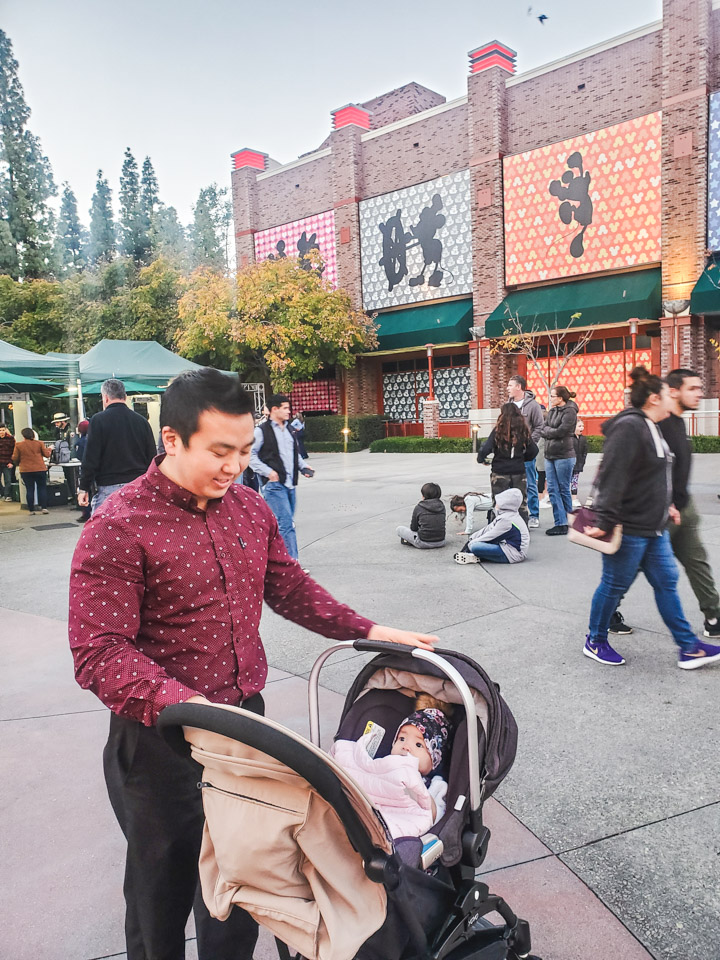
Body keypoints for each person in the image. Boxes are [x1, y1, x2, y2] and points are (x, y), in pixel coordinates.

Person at [68, 367, 438, 960]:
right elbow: (99, 652)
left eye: (244, 450)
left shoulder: (248, 509)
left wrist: (368, 630)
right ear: (171, 440)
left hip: (246, 730)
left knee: (245, 884)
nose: (234, 465)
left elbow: (287, 586)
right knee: (160, 888)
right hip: (159, 741)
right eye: (219, 450)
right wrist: (178, 702)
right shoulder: (116, 528)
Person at [582, 366, 720, 669]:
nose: (674, 400)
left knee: (667, 582)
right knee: (613, 586)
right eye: (667, 396)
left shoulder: (652, 426)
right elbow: (612, 477)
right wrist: (603, 522)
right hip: (630, 527)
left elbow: (652, 475)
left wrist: (668, 505)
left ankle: (688, 648)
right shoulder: (630, 427)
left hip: (654, 526)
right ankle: (595, 639)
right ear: (655, 399)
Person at [613, 369, 720, 641]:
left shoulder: (678, 422)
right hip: (659, 513)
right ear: (673, 391)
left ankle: (714, 616)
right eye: (693, 388)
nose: (699, 393)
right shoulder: (658, 425)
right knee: (632, 567)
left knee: (697, 562)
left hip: (684, 509)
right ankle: (608, 612)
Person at [332, 700, 451, 839]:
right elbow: (367, 777)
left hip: (399, 820)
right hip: (369, 808)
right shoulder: (383, 765)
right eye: (401, 738)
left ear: (434, 760)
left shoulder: (436, 785)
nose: (406, 746)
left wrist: (419, 792)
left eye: (419, 744)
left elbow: (437, 816)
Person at [77, 379, 157, 517]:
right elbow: (152, 457)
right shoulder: (141, 421)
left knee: (104, 535)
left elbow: (91, 457)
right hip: (138, 485)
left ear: (105, 397)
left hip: (109, 487)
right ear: (124, 397)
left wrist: (84, 487)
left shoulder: (98, 420)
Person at [249, 393, 314, 560]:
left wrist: (304, 466)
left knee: (282, 525)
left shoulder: (290, 429)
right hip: (273, 486)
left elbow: (294, 453)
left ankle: (269, 559)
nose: (288, 412)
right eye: (285, 408)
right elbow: (250, 456)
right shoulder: (261, 431)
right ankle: (292, 564)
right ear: (274, 410)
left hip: (290, 484)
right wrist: (267, 472)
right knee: (286, 525)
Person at [476, 403, 538, 524]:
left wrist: (481, 459)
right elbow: (533, 450)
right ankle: (522, 527)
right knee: (521, 501)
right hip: (518, 471)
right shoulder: (523, 431)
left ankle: (498, 526)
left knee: (499, 501)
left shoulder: (498, 430)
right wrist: (522, 459)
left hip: (500, 471)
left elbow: (486, 448)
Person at [454, 487, 529, 565]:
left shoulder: (506, 520)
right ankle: (476, 556)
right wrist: (472, 538)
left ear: (505, 504)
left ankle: (478, 556)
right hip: (506, 546)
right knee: (474, 543)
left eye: (499, 502)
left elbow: (491, 536)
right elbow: (488, 529)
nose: (496, 504)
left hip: (514, 554)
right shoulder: (506, 514)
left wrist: (470, 545)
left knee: (475, 546)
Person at [540, 384, 578, 536]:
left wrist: (549, 432)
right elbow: (543, 428)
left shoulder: (570, 412)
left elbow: (563, 431)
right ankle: (559, 522)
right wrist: (550, 432)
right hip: (550, 455)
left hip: (564, 455)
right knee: (552, 490)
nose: (550, 398)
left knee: (563, 489)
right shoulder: (552, 411)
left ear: (560, 398)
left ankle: (570, 522)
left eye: (552, 396)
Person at [507, 375, 544, 528]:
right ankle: (515, 514)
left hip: (526, 453)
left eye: (510, 385)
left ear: (519, 387)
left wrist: (528, 444)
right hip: (510, 453)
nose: (507, 388)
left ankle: (534, 515)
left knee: (530, 484)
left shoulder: (532, 405)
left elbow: (539, 427)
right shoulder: (508, 405)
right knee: (512, 484)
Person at [12, 427, 52, 515]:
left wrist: (19, 463)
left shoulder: (19, 445)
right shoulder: (39, 443)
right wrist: (49, 449)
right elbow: (46, 455)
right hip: (40, 469)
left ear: (23, 436)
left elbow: (15, 458)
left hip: (26, 470)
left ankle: (31, 510)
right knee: (42, 488)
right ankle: (44, 508)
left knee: (30, 489)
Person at [396, 481, 446, 549]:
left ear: (424, 495)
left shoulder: (419, 507)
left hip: (423, 542)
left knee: (399, 529)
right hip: (441, 542)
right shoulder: (442, 506)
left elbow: (413, 528)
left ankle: (410, 541)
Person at [73, 419, 91, 523]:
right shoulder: (95, 439)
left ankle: (86, 513)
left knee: (86, 490)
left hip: (86, 468)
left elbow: (79, 455)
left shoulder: (80, 441)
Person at [571, 418, 588, 509]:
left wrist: (582, 462)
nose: (582, 428)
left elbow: (585, 452)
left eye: (583, 426)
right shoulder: (569, 438)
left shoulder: (583, 439)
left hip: (578, 464)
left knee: (574, 481)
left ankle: (574, 499)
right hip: (569, 464)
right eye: (579, 426)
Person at [0, 424, 16, 501]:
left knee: (8, 480)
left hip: (7, 462)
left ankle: (7, 495)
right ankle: (2, 493)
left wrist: (11, 462)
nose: (1, 432)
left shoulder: (10, 439)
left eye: (3, 430)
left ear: (6, 430)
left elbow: (14, 451)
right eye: (0, 430)